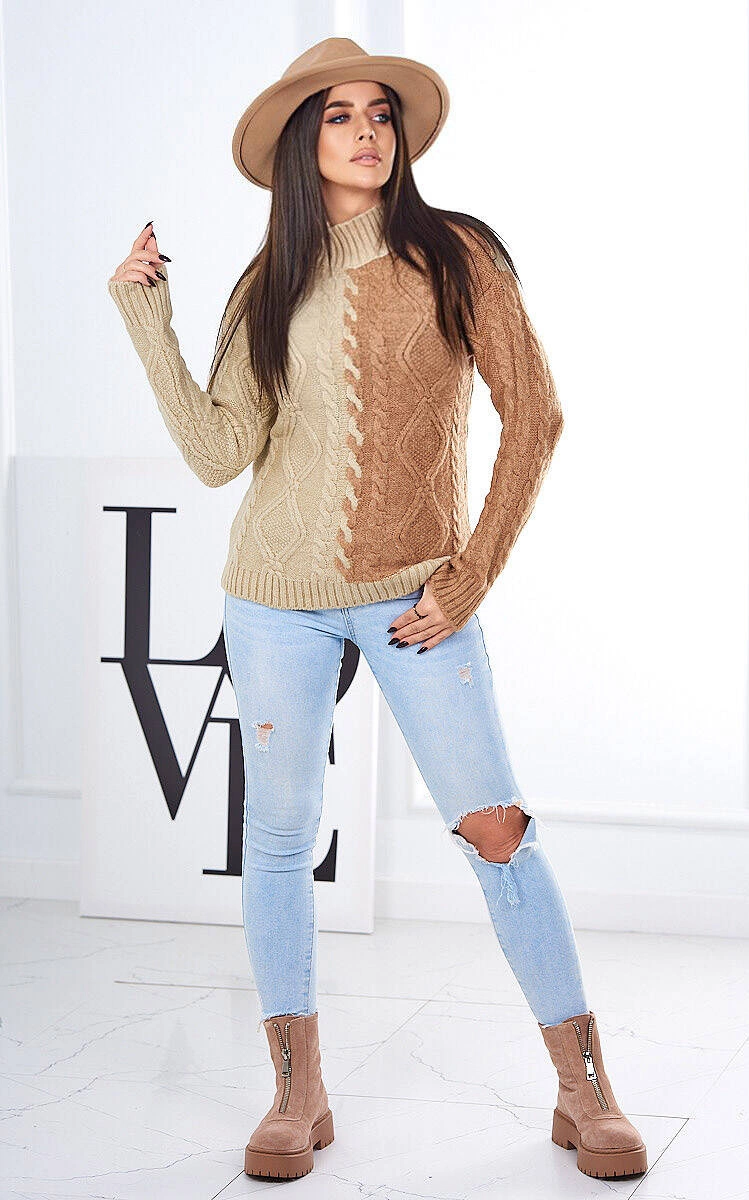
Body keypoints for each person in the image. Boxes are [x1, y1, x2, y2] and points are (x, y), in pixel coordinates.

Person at [107, 35, 647, 1185]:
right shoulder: (267, 283)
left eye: (379, 114)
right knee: (277, 837)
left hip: (417, 601)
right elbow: (218, 453)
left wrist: (472, 571)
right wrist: (146, 316)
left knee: (495, 830)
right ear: (302, 143)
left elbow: (535, 414)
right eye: (338, 115)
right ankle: (296, 1092)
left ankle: (583, 1090)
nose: (364, 131)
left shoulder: (455, 255)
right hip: (272, 600)